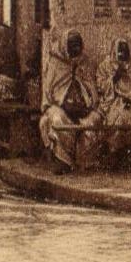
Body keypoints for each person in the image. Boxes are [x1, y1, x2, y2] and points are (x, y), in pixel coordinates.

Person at [39, 31, 101, 173]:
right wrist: (62, 101)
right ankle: (64, 160)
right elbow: (49, 92)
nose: (76, 48)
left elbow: (91, 89)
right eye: (72, 45)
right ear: (65, 45)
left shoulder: (85, 63)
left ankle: (82, 160)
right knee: (58, 119)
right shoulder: (55, 63)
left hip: (82, 108)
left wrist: (87, 101)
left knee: (94, 119)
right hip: (59, 106)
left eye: (78, 45)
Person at [95, 37, 131, 164]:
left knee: (128, 117)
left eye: (125, 51)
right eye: (120, 50)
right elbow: (100, 85)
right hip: (112, 102)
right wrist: (115, 77)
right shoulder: (106, 65)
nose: (122, 54)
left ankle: (130, 153)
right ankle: (114, 151)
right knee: (116, 116)